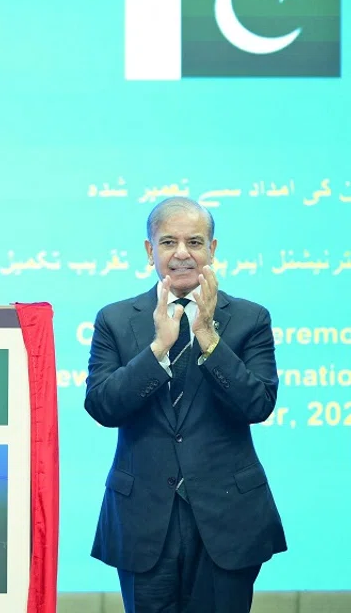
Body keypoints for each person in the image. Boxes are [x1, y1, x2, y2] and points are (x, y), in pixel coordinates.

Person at [84, 197, 286, 612]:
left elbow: (259, 404)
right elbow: (102, 405)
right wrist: (158, 347)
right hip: (142, 517)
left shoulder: (250, 319)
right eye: (168, 242)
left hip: (228, 516)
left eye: (194, 242)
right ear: (150, 251)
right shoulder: (115, 320)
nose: (181, 254)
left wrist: (208, 337)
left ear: (212, 249)